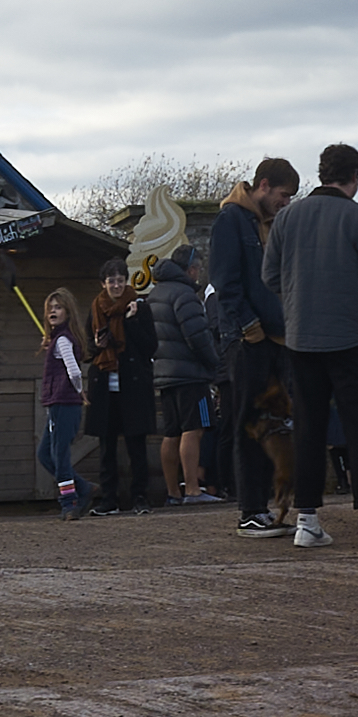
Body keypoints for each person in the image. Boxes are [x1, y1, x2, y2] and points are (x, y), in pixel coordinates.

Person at [264, 142, 358, 550]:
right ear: (355, 179)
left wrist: (298, 295)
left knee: (308, 428)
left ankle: (307, 521)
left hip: (302, 337)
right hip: (351, 337)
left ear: (321, 173)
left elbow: (270, 276)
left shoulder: (288, 217)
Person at [209, 160, 297, 534]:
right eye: (283, 195)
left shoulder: (271, 224)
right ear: (263, 185)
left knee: (273, 426)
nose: (286, 202)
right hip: (248, 341)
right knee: (250, 425)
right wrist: (248, 326)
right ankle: (249, 510)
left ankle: (265, 509)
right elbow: (225, 280)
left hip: (277, 340)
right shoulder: (231, 220)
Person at [146, 246, 222, 504]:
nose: (199, 275)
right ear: (190, 269)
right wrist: (213, 363)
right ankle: (192, 490)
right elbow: (197, 336)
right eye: (198, 269)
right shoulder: (185, 294)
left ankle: (173, 492)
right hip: (191, 375)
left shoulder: (155, 294)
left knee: (171, 432)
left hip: (165, 376)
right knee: (195, 429)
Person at [82, 265, 157, 514]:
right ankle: (109, 499)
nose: (116, 286)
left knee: (136, 444)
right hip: (105, 382)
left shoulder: (139, 307)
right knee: (107, 446)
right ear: (102, 283)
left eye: (120, 280)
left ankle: (139, 497)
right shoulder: (95, 310)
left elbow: (151, 347)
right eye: (111, 281)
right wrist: (96, 346)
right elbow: (87, 351)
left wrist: (132, 322)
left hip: (133, 383)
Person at [35, 287, 89, 517]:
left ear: (68, 311)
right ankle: (82, 487)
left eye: (58, 307)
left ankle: (70, 501)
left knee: (59, 454)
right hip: (59, 404)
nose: (52, 312)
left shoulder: (63, 341)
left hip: (64, 403)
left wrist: (80, 391)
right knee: (46, 454)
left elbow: (74, 371)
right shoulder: (59, 340)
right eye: (50, 309)